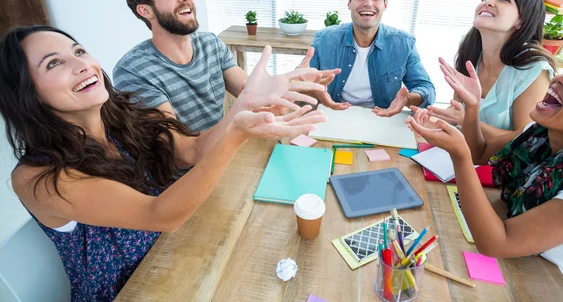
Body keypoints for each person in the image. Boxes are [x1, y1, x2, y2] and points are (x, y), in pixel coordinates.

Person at [0, 25, 327, 301]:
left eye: (80, 51)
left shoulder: (121, 118)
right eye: (54, 63)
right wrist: (236, 133)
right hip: (134, 289)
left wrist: (242, 106)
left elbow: (193, 149)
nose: (82, 65)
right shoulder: (37, 177)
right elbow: (158, 215)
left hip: (179, 253)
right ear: (26, 93)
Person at [407, 38, 563, 302]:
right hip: (520, 265)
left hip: (559, 288)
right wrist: (473, 108)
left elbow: (498, 242)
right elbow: (482, 152)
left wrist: (459, 157)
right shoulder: (540, 132)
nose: (560, 79)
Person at [113, 0, 338, 131]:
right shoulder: (133, 71)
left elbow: (253, 96)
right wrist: (238, 121)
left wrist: (292, 84)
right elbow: (180, 149)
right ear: (146, 10)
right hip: (186, 177)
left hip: (228, 150)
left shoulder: (210, 44)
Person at [424, 0, 555, 153]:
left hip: (500, 166)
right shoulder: (469, 48)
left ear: (521, 21)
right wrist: (432, 118)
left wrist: (467, 121)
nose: (489, 2)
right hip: (461, 153)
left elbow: (525, 139)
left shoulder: (533, 68)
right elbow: (458, 108)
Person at [302, 0, 435, 117]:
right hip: (333, 115)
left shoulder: (404, 44)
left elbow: (426, 89)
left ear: (385, 5)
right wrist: (314, 90)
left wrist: (406, 99)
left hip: (382, 117)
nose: (368, 3)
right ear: (349, 3)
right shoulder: (324, 39)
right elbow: (301, 81)